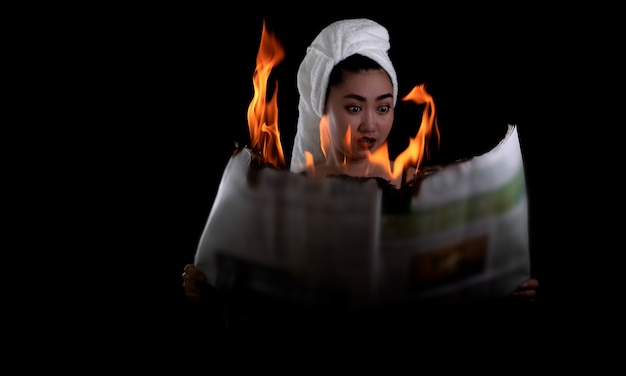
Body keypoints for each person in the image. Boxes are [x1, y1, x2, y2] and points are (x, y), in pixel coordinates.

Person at [181, 18, 539, 318]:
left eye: (383, 108)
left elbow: (446, 287)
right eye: (354, 108)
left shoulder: (413, 187)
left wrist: (503, 288)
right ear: (322, 109)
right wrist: (205, 286)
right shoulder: (282, 194)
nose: (371, 125)